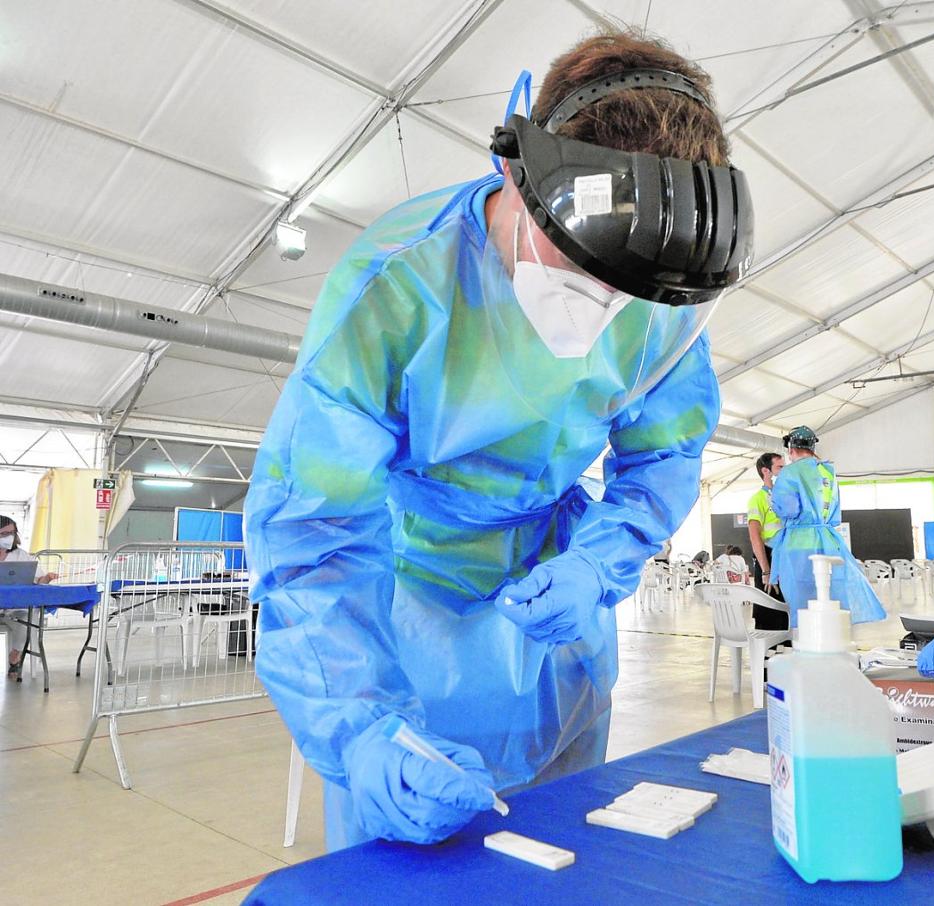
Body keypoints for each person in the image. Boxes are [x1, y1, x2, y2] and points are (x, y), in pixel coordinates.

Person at [244, 30, 753, 851]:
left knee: (568, 841)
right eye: (581, 263)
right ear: (514, 168)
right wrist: (362, 725)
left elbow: (664, 455)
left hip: (556, 594)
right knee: (407, 858)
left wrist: (597, 563)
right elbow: (315, 528)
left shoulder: (668, 301)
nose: (598, 305)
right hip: (401, 606)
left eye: (625, 291)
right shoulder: (398, 284)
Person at [769, 427, 886, 625]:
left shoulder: (789, 473)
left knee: (803, 603)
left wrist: (774, 501)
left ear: (791, 449)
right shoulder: (828, 471)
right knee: (830, 595)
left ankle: (807, 643)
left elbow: (789, 509)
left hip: (799, 543)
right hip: (829, 540)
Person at [0, 516, 56, 679]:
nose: (9, 537)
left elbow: (38, 579)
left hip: (14, 609)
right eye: (4, 534)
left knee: (28, 618)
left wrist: (47, 578)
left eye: (12, 532)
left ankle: (15, 657)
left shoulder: (21, 555)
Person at [747, 452, 786, 630]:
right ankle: (767, 657)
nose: (784, 472)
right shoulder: (758, 499)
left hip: (786, 558)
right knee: (769, 614)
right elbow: (755, 537)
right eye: (780, 467)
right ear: (766, 471)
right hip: (768, 559)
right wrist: (766, 570)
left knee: (786, 612)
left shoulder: (786, 498)